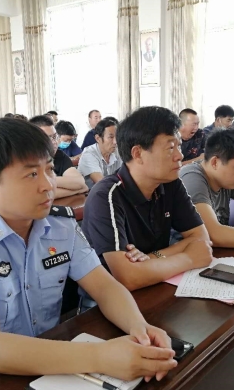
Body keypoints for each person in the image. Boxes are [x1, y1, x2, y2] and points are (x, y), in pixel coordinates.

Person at [0, 118, 178, 389]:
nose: (48, 185)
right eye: (31, 174)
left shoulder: (60, 224)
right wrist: (101, 357)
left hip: (48, 363)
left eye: (49, 170)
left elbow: (105, 287)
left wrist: (140, 329)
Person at [81, 106, 212, 296]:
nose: (180, 156)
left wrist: (151, 259)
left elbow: (201, 239)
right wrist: (189, 258)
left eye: (179, 146)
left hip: (157, 283)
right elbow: (127, 277)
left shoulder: (170, 183)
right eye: (170, 148)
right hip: (106, 300)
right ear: (138, 153)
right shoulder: (106, 195)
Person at [29, 116, 88, 199]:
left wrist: (45, 182)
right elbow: (33, 195)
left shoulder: (59, 155)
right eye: (48, 138)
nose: (54, 142)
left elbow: (80, 182)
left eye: (54, 137)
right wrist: (76, 190)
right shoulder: (25, 160)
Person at [78, 118, 122, 189]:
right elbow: (101, 183)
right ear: (98, 138)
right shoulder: (89, 154)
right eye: (111, 137)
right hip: (89, 194)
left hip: (110, 192)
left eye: (117, 136)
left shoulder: (117, 151)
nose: (115, 142)